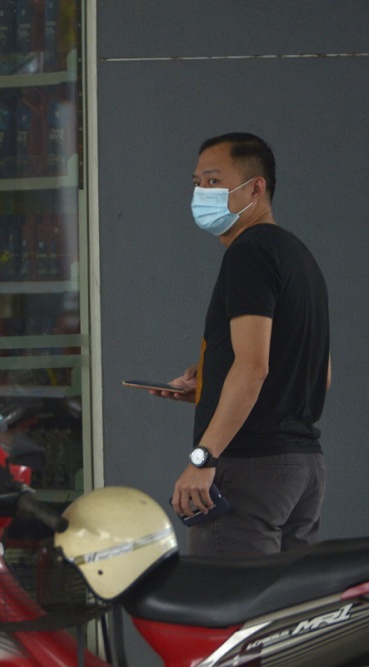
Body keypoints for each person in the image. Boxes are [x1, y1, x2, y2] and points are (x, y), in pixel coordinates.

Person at [156, 132, 331, 558]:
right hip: (302, 467)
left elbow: (253, 368)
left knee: (230, 610)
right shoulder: (297, 255)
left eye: (214, 181)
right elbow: (317, 374)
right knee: (286, 616)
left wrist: (203, 459)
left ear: (257, 187)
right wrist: (213, 385)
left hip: (250, 469)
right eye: (197, 181)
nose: (202, 192)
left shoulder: (248, 253)